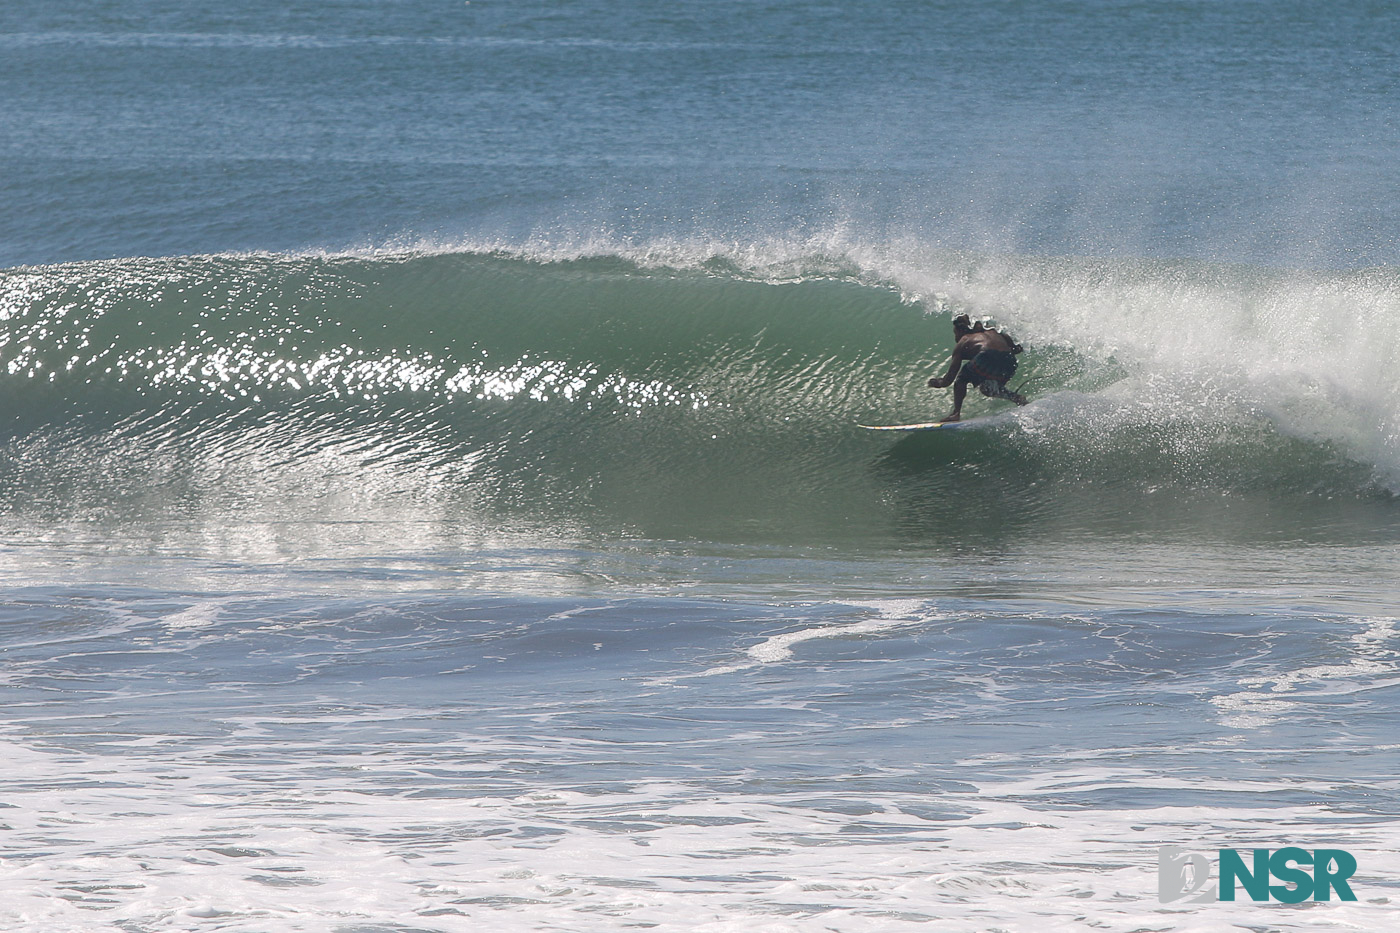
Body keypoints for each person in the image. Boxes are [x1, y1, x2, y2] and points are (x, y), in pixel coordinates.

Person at [926, 314, 1028, 421]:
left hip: (986, 356)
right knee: (987, 389)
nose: (956, 338)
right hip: (1009, 362)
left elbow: (951, 376)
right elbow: (1016, 349)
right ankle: (1017, 398)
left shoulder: (964, 340)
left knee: (961, 379)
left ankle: (956, 413)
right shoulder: (995, 332)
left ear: (961, 331)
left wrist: (940, 383)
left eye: (955, 334)